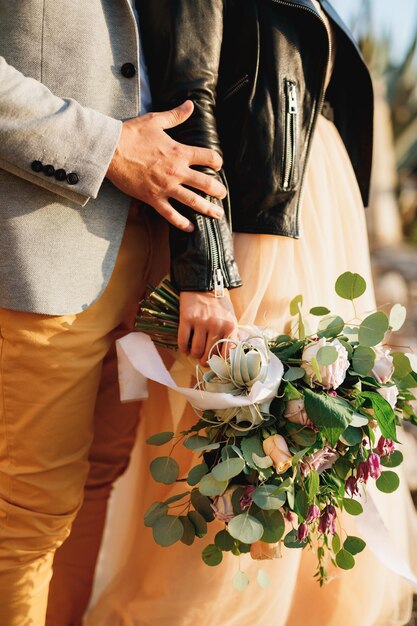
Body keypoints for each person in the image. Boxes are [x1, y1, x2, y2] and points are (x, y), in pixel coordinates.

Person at [59, 1, 417, 625]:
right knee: (244, 459)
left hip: (315, 221)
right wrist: (207, 269)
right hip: (253, 234)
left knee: (311, 457)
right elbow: (189, 93)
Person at [0, 1, 247, 624]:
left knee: (94, 487)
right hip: (36, 252)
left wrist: (198, 263)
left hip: (148, 262)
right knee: (23, 516)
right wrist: (107, 148)